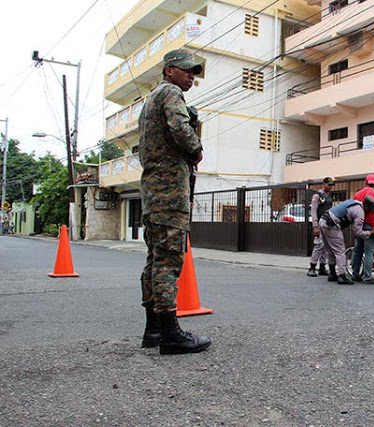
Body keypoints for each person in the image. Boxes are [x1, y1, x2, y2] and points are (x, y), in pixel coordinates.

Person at [138, 48, 211, 355]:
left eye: (194, 70)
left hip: (153, 192)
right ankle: (171, 335)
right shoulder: (170, 93)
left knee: (155, 260)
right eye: (186, 69)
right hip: (170, 191)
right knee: (168, 260)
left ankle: (153, 330)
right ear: (169, 71)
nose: (191, 75)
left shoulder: (150, 100)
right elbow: (180, 127)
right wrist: (196, 149)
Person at [319, 196, 374, 285]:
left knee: (330, 250)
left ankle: (332, 274)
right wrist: (370, 232)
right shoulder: (360, 212)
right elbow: (358, 233)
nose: (370, 211)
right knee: (340, 251)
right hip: (332, 224)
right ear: (365, 205)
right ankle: (342, 276)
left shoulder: (354, 202)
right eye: (370, 209)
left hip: (323, 220)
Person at [308, 177, 335, 277]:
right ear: (324, 184)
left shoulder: (329, 196)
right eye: (329, 185)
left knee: (325, 246)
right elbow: (314, 212)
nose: (330, 187)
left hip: (327, 224)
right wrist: (315, 226)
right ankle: (312, 267)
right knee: (319, 245)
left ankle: (322, 267)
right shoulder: (317, 196)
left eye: (331, 185)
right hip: (319, 223)